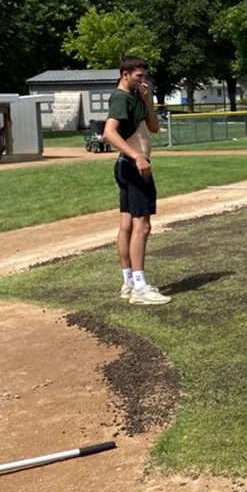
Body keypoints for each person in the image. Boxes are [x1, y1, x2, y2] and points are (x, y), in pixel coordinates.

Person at [103, 56, 170, 306]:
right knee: (142, 226)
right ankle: (140, 288)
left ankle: (129, 282)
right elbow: (108, 132)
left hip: (128, 166)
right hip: (133, 167)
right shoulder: (120, 97)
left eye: (145, 76)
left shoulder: (135, 98)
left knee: (128, 226)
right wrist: (138, 157)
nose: (143, 80)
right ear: (125, 74)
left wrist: (147, 100)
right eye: (139, 76)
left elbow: (153, 128)